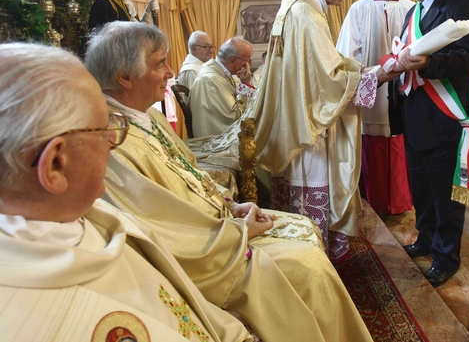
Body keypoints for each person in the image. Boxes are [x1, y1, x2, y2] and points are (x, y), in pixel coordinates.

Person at [84, 22, 373, 342]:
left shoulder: (146, 116)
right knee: (306, 267)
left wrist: (233, 204)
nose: (169, 72)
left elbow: (189, 173)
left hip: (217, 223)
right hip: (207, 256)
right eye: (159, 64)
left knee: (305, 227)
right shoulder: (113, 144)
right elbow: (159, 234)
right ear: (125, 77)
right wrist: (240, 231)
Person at [0, 43, 253, 342]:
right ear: (55, 164)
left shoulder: (101, 218)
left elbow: (190, 307)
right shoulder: (20, 319)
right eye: (103, 127)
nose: (114, 142)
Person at [211, 0, 395, 261]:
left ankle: (301, 246)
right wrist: (377, 74)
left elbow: (316, 68)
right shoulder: (308, 15)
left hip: (293, 117)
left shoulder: (296, 4)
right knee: (311, 181)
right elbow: (328, 80)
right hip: (308, 126)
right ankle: (312, 254)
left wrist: (360, 70)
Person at [390, 0, 469, 287]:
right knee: (422, 190)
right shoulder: (411, 13)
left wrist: (428, 63)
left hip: (446, 118)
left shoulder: (462, 5)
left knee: (446, 196)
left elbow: (468, 58)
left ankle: (446, 256)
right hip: (415, 117)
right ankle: (426, 238)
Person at [336, 0, 414, 215]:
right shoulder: (359, 8)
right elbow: (348, 53)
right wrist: (371, 73)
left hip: (404, 87)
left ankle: (401, 201)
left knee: (402, 140)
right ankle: (374, 201)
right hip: (373, 89)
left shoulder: (411, 8)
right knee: (374, 145)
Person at [190, 37, 256, 138]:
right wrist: (245, 84)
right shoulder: (211, 80)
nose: (250, 65)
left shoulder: (216, 69)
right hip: (215, 141)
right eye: (248, 60)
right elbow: (234, 117)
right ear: (232, 61)